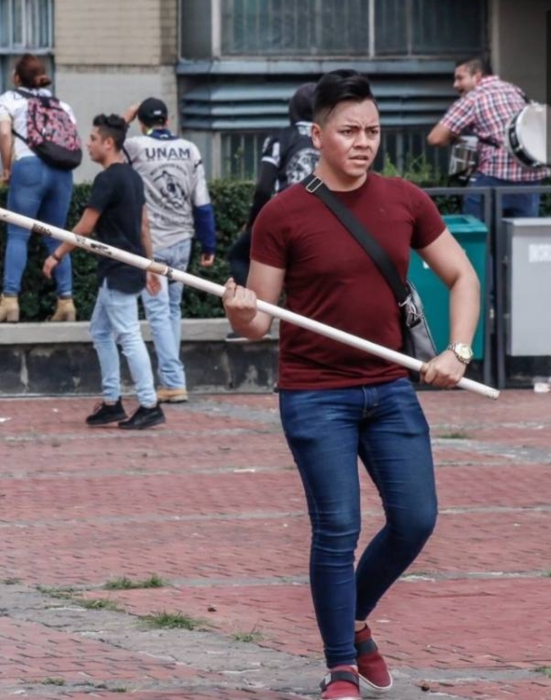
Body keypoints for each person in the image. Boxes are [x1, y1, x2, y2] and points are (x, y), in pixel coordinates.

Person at [222, 70, 480, 700]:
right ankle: (341, 664)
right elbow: (260, 321)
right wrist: (239, 312)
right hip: (314, 395)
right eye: (349, 131)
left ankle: (353, 619)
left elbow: (463, 277)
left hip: (390, 388)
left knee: (416, 518)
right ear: (317, 135)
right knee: (336, 528)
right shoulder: (282, 214)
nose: (363, 142)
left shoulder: (405, 200)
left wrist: (459, 350)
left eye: (373, 131)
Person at [43, 115, 165, 431]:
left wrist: (56, 255)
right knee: (100, 331)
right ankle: (112, 403)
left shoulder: (108, 179)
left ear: (108, 143)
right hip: (129, 268)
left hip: (118, 271)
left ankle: (150, 405)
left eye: (94, 138)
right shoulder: (133, 178)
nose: (88, 144)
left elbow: (85, 226)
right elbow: (144, 225)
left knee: (128, 335)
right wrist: (149, 265)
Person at [120, 97, 216, 404]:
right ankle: (174, 379)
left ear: (142, 122)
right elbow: (202, 200)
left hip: (154, 243)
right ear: (168, 120)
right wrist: (209, 242)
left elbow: (109, 145)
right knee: (172, 311)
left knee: (159, 314)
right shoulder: (190, 149)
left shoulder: (136, 146)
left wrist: (125, 117)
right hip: (183, 241)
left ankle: (174, 381)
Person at [225, 82, 319, 342]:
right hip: (325, 219)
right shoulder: (330, 138)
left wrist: (253, 223)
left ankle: (253, 317)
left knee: (239, 256)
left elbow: (264, 187)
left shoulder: (280, 138)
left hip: (286, 219)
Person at [0, 54, 78, 323]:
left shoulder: (9, 100)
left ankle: (10, 301)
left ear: (17, 77)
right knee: (57, 236)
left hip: (29, 168)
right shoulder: (61, 105)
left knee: (18, 234)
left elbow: (5, 134)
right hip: (62, 172)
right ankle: (66, 302)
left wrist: (7, 167)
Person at [427, 56, 550, 220]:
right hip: (531, 176)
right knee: (521, 239)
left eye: (460, 78)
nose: (455, 85)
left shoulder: (474, 97)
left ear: (477, 76)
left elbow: (436, 138)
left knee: (476, 233)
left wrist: (455, 137)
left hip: (496, 175)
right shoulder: (515, 90)